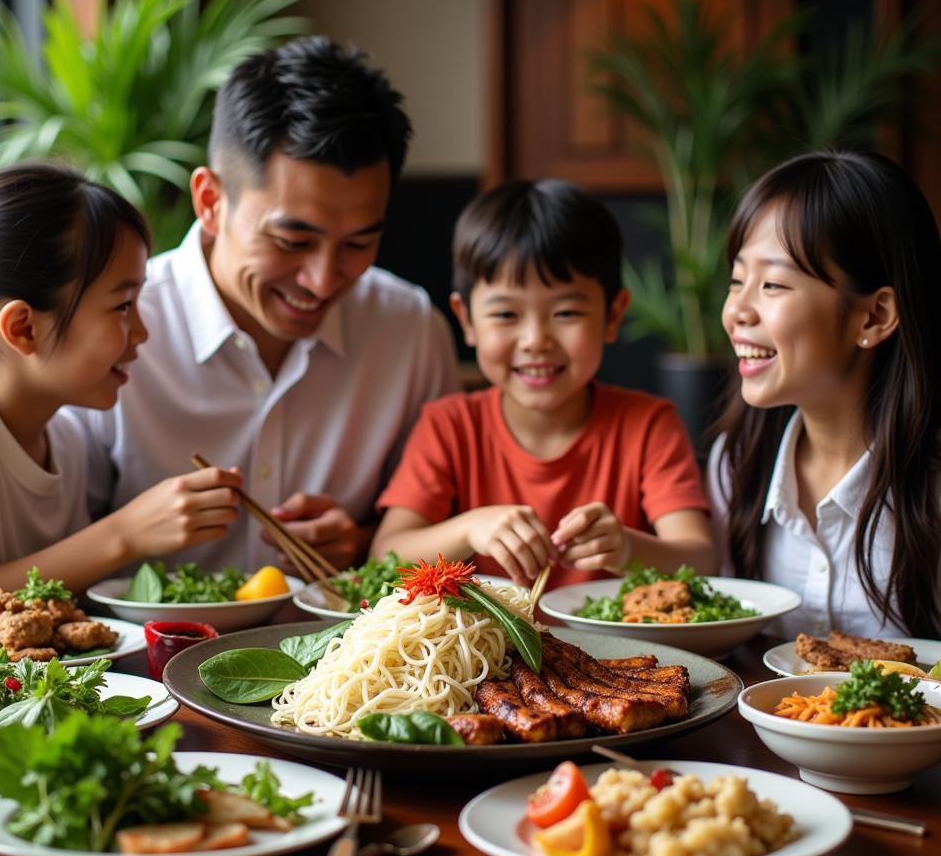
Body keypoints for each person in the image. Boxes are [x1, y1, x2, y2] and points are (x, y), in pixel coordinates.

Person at [74, 36, 459, 574]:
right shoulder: (113, 327)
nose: (324, 280)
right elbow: (44, 552)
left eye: (357, 244)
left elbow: (442, 521)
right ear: (210, 201)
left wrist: (365, 544)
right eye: (292, 241)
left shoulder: (410, 329)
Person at [0, 163, 242, 621]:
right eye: (123, 306)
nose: (143, 332)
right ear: (24, 328)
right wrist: (122, 535)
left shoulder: (65, 440)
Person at [372, 178, 714, 587]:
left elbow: (703, 560)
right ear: (467, 320)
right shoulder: (449, 426)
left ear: (613, 315)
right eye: (506, 315)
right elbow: (384, 556)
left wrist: (629, 549)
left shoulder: (648, 425)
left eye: (566, 313)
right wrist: (468, 529)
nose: (536, 341)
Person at [708, 150, 941, 640]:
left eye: (772, 284)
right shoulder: (736, 464)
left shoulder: (930, 483)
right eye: (736, 280)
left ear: (874, 317)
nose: (737, 312)